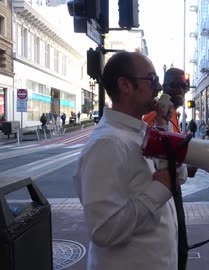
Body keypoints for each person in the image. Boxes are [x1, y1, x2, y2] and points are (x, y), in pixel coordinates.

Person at [74, 51, 181, 270]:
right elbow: (103, 230)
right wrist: (160, 188)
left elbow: (175, 175)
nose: (159, 88)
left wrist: (163, 129)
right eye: (152, 80)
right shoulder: (107, 143)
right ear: (125, 85)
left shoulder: (137, 133)